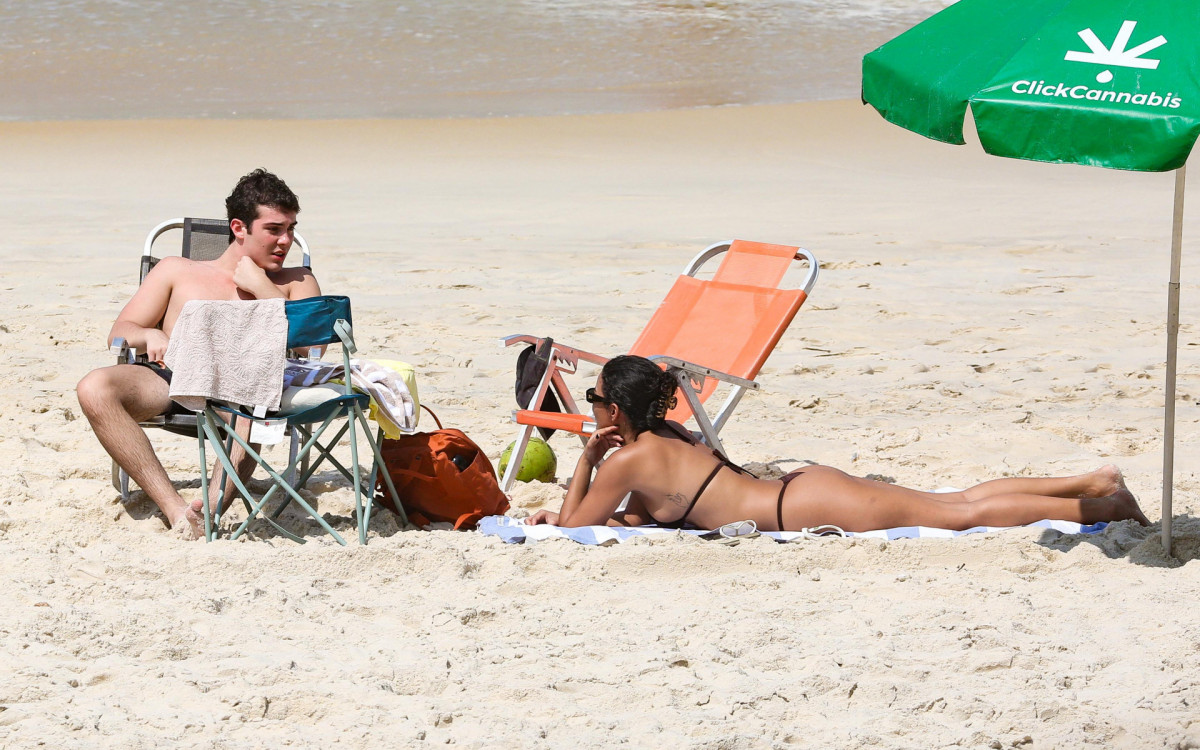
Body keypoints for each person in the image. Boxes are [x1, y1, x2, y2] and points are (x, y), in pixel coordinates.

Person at [524, 355, 1150, 532]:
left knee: (959, 514)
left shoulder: (628, 456)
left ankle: (1091, 488)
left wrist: (585, 457)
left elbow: (578, 525)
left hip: (799, 509)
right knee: (952, 502)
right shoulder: (668, 438)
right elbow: (642, 511)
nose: (591, 408)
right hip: (799, 492)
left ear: (616, 411)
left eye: (597, 400)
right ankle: (1094, 500)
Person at [77, 169, 321, 539]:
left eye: (290, 228)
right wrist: (151, 333)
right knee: (95, 387)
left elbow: (311, 346)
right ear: (239, 228)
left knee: (250, 401)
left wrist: (262, 287)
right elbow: (121, 331)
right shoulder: (177, 269)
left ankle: (208, 511)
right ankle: (174, 507)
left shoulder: (296, 281)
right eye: (274, 229)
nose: (285, 240)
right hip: (173, 378)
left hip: (246, 388)